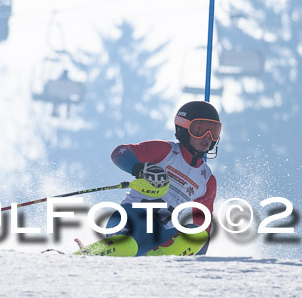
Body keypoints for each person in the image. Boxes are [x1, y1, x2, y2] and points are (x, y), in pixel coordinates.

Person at [76, 100, 220, 257]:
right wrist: (140, 169)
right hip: (133, 217)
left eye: (214, 131)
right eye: (199, 129)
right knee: (128, 245)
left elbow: (203, 224)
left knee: (197, 235)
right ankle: (87, 255)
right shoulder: (166, 151)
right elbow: (120, 153)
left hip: (164, 234)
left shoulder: (207, 180)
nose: (208, 137)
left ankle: (158, 261)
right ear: (184, 128)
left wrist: (202, 262)